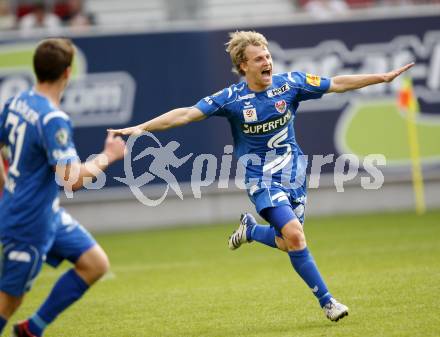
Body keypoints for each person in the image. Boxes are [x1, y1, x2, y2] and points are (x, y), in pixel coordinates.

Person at [108, 30, 413, 322]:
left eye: (267, 56)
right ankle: (329, 302)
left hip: (294, 174)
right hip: (260, 178)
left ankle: (251, 231)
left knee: (288, 241)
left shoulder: (291, 83)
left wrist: (381, 78)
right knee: (295, 235)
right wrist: (141, 128)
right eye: (259, 59)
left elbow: (338, 83)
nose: (267, 62)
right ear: (243, 65)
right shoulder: (231, 98)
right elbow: (186, 114)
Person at [0, 38, 126, 337]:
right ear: (68, 73)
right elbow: (72, 180)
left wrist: (6, 185)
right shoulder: (52, 119)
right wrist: (109, 156)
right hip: (28, 221)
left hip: (45, 213)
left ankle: (33, 329)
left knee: (94, 263)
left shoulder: (17, 101)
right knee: (9, 300)